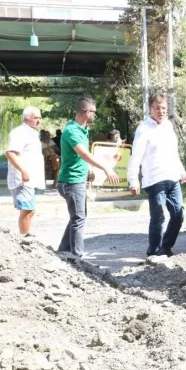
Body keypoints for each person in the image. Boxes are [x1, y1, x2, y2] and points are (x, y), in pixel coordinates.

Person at [57, 97, 120, 258]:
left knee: (76, 217)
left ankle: (63, 252)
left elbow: (82, 157)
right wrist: (105, 168)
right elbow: (83, 153)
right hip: (71, 182)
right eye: (94, 112)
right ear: (86, 113)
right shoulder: (72, 131)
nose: (95, 115)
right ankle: (78, 257)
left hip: (76, 180)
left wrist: (89, 169)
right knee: (79, 218)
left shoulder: (82, 129)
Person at [128, 93, 186, 257]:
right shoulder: (143, 129)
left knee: (178, 214)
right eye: (157, 108)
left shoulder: (168, 126)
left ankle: (166, 246)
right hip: (155, 179)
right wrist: (133, 180)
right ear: (150, 109)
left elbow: (173, 152)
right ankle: (154, 253)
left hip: (172, 176)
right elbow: (136, 156)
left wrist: (181, 170)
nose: (161, 111)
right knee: (158, 217)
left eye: (163, 108)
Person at [5, 106, 45, 237]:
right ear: (26, 119)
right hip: (23, 179)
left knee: (30, 210)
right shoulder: (19, 133)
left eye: (40, 117)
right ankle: (24, 238)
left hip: (30, 178)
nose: (38, 120)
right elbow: (10, 153)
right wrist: (23, 171)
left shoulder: (32, 132)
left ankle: (25, 236)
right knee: (27, 210)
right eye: (35, 118)